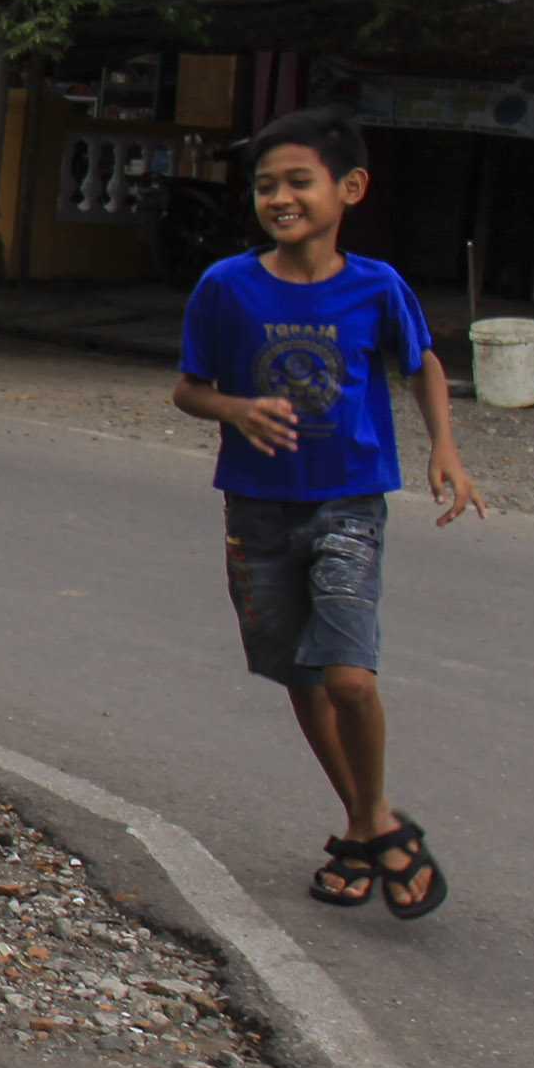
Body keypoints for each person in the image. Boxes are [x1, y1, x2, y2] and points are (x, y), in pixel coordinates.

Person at [169, 108, 487, 920]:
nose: (279, 196)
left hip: (350, 502)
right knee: (300, 675)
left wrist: (443, 448)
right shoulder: (226, 286)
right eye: (265, 184)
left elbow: (424, 365)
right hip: (257, 508)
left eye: (297, 181)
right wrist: (235, 410)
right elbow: (188, 388)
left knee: (349, 676)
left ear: (348, 189)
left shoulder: (377, 286)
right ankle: (369, 827)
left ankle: (367, 822)